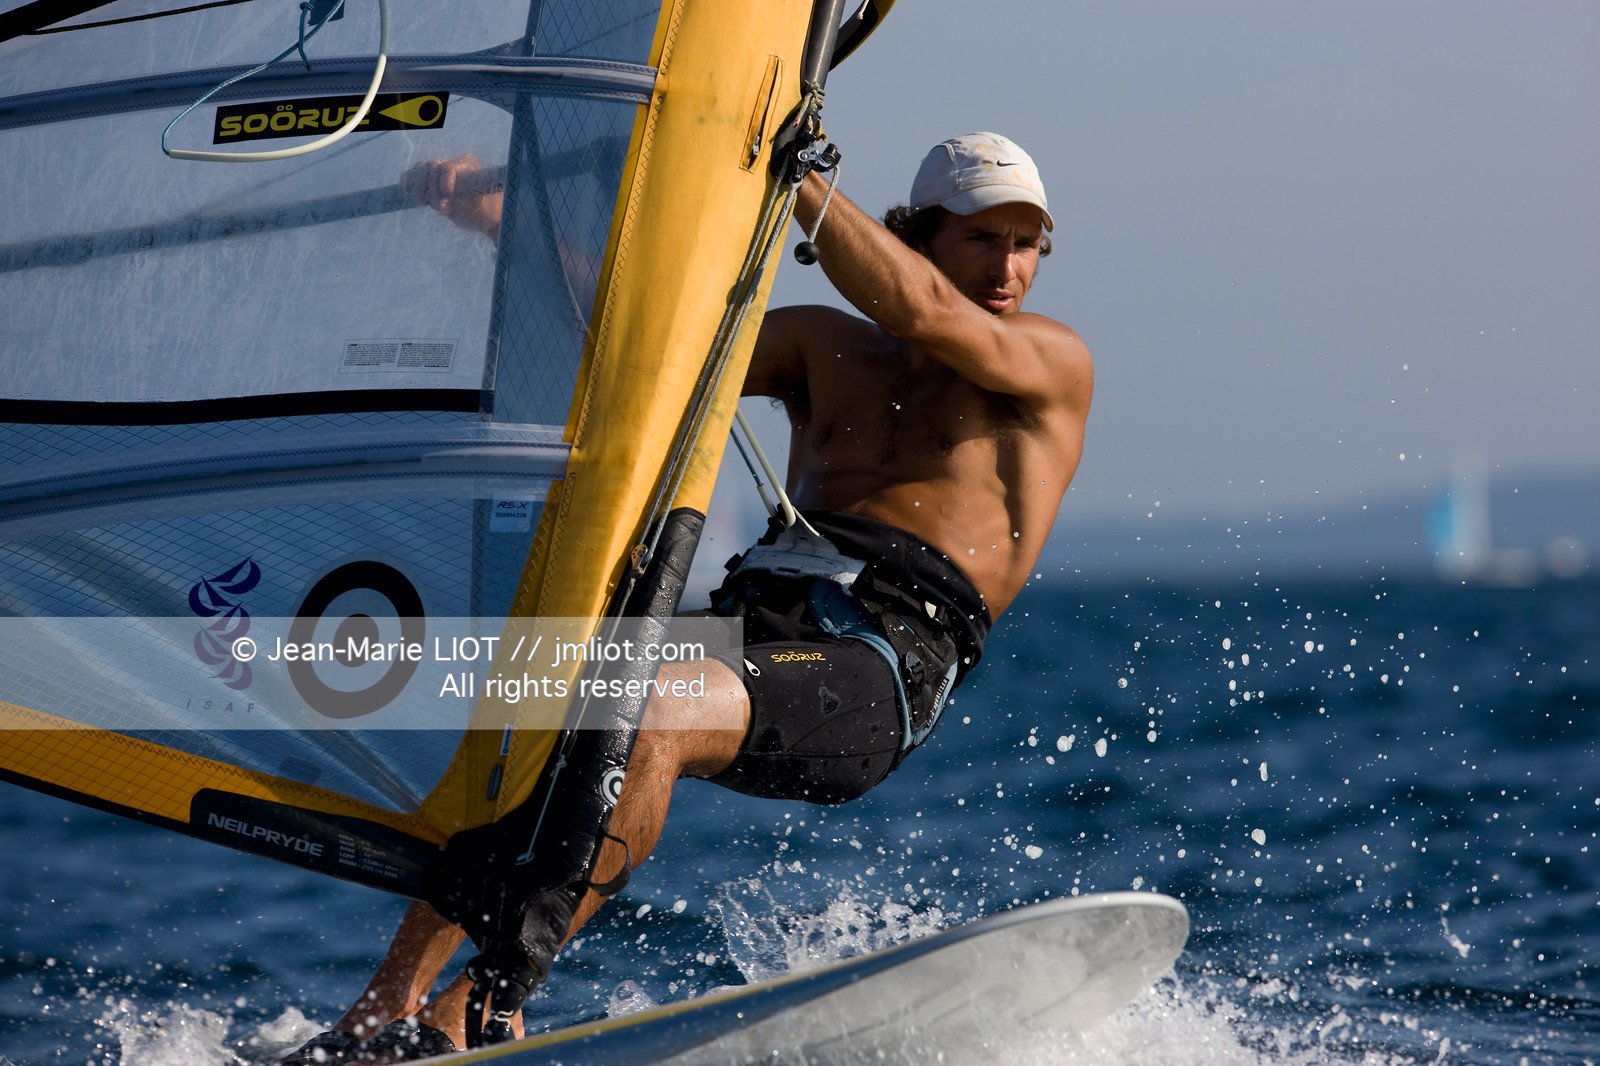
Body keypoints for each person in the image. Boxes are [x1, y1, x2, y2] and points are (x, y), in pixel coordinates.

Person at [286, 131, 1092, 1063]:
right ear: (920, 232)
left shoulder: (1045, 360)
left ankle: (487, 997)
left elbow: (921, 310)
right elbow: (645, 330)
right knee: (540, 702)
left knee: (654, 708)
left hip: (878, 662)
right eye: (983, 238)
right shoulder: (825, 347)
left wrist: (792, 175)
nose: (1010, 265)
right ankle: (374, 1017)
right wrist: (489, 215)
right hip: (764, 620)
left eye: (1026, 241)